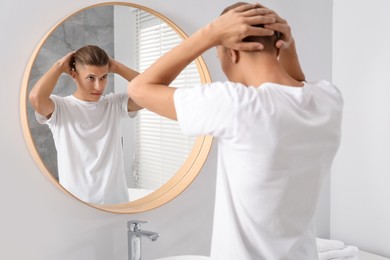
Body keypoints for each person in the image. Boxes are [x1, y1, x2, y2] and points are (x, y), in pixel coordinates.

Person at [128, 2, 343, 260]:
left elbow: (138, 89)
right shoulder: (329, 99)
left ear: (232, 53)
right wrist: (289, 45)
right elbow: (297, 85)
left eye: (218, 55)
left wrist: (209, 34)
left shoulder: (239, 105)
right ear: (280, 44)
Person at [29, 45, 142, 205]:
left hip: (116, 205)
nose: (99, 86)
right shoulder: (60, 108)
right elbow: (36, 98)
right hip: (76, 207)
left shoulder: (115, 104)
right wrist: (60, 66)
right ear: (74, 75)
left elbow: (150, 91)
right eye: (91, 78)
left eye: (104, 77)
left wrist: (116, 66)